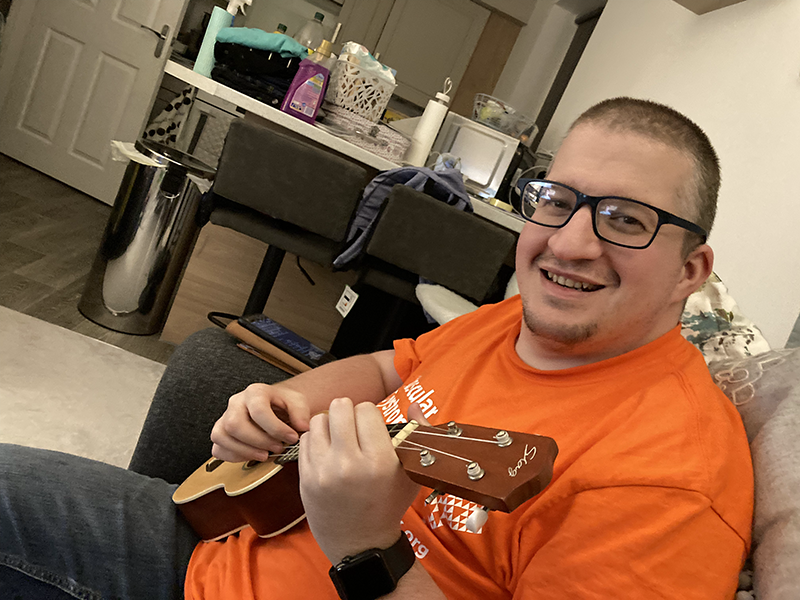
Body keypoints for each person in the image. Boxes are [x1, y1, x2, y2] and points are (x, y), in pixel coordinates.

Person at [0, 97, 753, 599]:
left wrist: (369, 545)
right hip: (221, 541)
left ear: (691, 270)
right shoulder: (518, 319)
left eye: (625, 219)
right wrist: (289, 403)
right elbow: (390, 366)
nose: (571, 241)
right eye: (555, 200)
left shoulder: (672, 484)